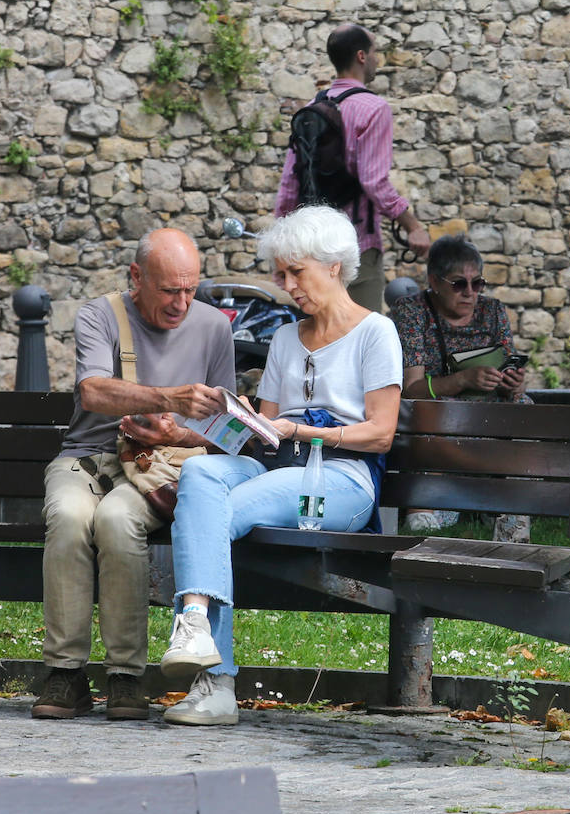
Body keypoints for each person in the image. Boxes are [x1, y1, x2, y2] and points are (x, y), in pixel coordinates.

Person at [157, 205, 402, 726]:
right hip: (277, 466)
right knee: (199, 475)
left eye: (297, 272)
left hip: (340, 478)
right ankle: (199, 629)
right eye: (282, 273)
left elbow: (380, 433)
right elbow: (262, 432)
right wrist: (203, 427)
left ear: (334, 266)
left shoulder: (375, 332)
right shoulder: (286, 339)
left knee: (216, 513)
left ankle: (213, 676)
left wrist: (303, 429)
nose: (287, 284)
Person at [33, 228, 235, 720]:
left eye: (191, 289)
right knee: (68, 515)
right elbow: (94, 394)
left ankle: (126, 676)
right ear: (137, 277)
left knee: (117, 521)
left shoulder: (214, 327)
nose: (181, 302)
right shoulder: (100, 315)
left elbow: (227, 432)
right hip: (87, 456)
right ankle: (65, 675)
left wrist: (179, 433)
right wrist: (169, 398)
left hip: (156, 469)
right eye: (169, 290)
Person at [275, 23, 430, 312]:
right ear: (361, 56)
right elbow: (374, 181)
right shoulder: (373, 108)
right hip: (357, 247)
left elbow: (289, 187)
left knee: (317, 343)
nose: (376, 59)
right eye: (375, 52)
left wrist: (283, 253)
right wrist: (413, 226)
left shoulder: (311, 108)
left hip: (312, 251)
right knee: (362, 340)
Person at [391, 234, 529, 536]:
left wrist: (512, 383)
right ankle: (423, 508)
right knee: (426, 413)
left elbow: (509, 365)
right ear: (434, 282)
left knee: (523, 406)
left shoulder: (492, 311)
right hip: (437, 418)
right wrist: (463, 380)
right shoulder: (412, 312)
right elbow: (410, 390)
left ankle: (511, 507)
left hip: (486, 414)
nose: (470, 292)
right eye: (458, 284)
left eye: (477, 283)